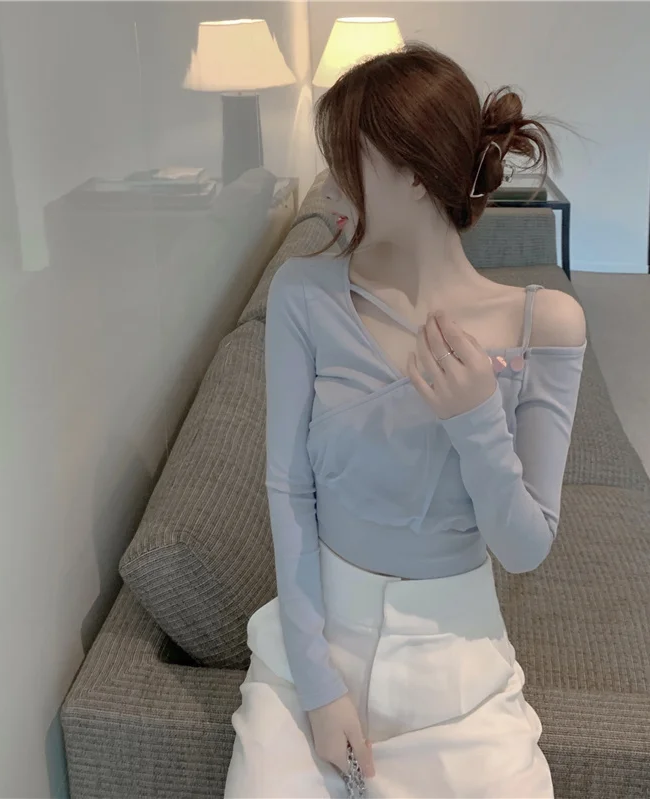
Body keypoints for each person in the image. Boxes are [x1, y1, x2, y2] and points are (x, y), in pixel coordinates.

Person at [224, 42, 587, 798]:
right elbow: (288, 489)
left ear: (415, 175)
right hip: (316, 644)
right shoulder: (303, 293)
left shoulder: (545, 323)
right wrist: (319, 688)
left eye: (344, 163)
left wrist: (475, 419)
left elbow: (524, 547)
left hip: (457, 666)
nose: (330, 184)